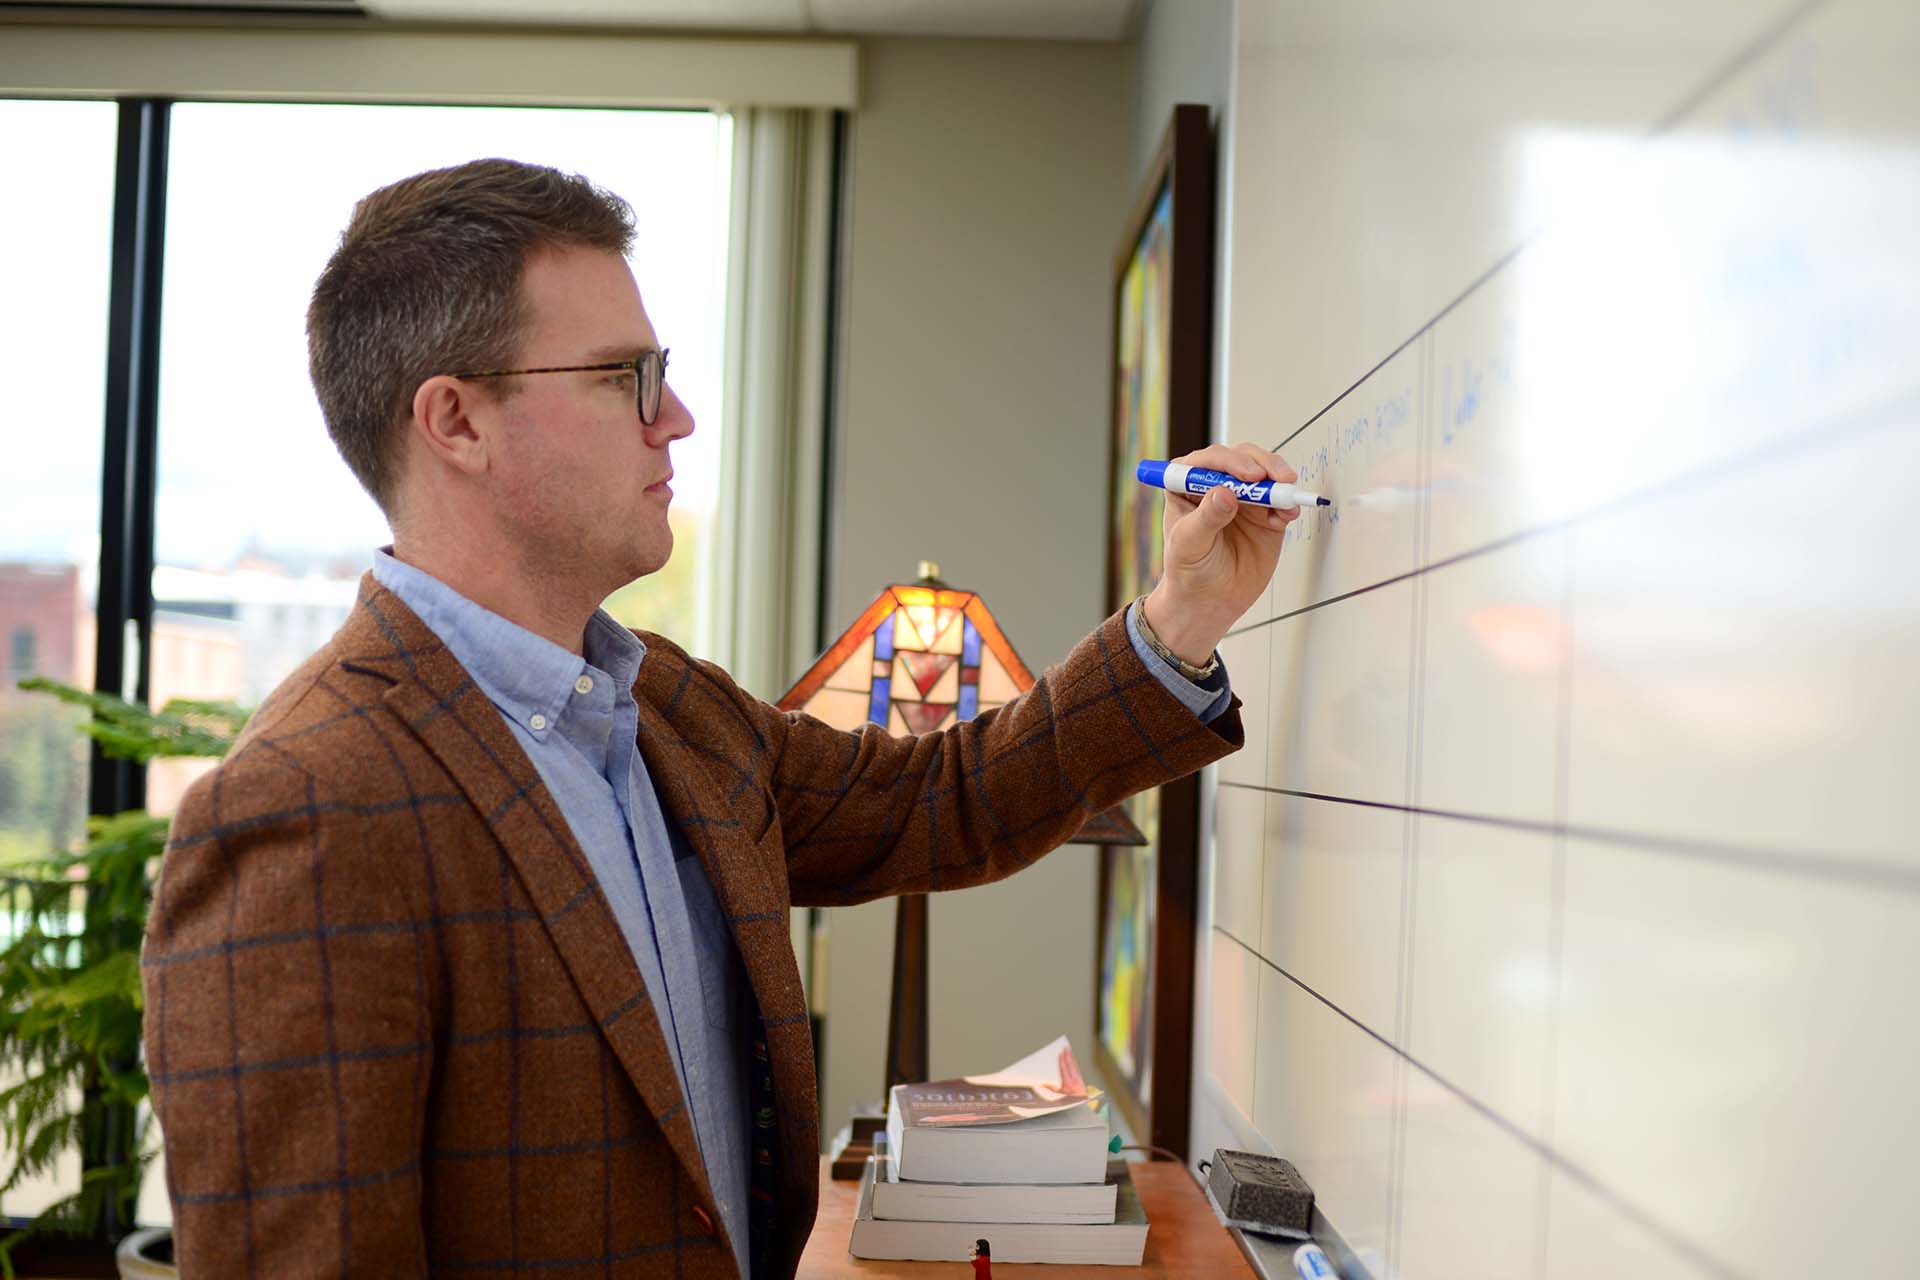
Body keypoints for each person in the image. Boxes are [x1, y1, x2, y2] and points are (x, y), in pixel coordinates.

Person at [140, 158, 1301, 1278]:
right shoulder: (303, 810)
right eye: (624, 376)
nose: (678, 416)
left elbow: (939, 805)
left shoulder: (665, 705)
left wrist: (1181, 615)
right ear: (456, 422)